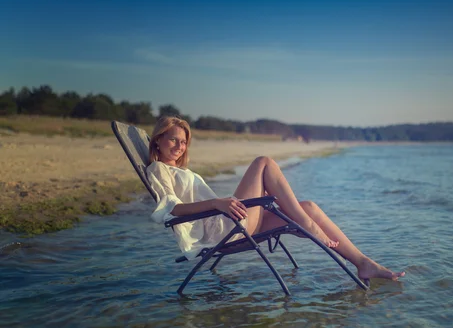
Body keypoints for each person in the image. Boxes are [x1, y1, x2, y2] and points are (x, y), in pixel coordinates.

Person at [146, 116, 405, 282]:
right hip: (225, 229)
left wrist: (221, 203)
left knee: (309, 207)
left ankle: (363, 263)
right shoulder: (159, 169)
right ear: (158, 140)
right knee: (263, 163)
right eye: (173, 140)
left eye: (184, 142)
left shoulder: (182, 171)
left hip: (235, 221)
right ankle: (308, 226)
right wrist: (217, 202)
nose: (180, 146)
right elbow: (172, 209)